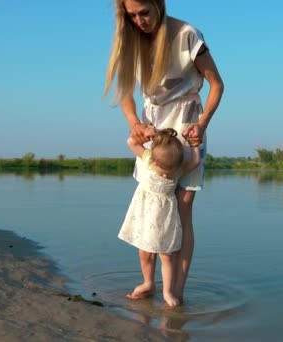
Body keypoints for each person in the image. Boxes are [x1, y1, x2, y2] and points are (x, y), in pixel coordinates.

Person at [104, 0, 224, 302]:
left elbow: (216, 84)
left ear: (158, 4)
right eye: (131, 16)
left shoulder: (186, 35)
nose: (139, 20)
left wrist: (203, 123)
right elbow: (126, 94)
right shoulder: (131, 39)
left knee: (182, 212)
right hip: (153, 130)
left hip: (187, 129)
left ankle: (175, 292)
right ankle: (149, 283)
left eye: (144, 12)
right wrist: (134, 124)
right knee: (151, 205)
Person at [118, 128, 200, 307]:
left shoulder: (177, 168)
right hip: (144, 215)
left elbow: (194, 162)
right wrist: (148, 134)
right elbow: (131, 142)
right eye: (163, 170)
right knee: (144, 252)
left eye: (170, 172)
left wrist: (194, 146)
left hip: (165, 220)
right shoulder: (147, 158)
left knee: (166, 255)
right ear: (154, 160)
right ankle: (148, 282)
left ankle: (168, 292)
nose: (166, 175)